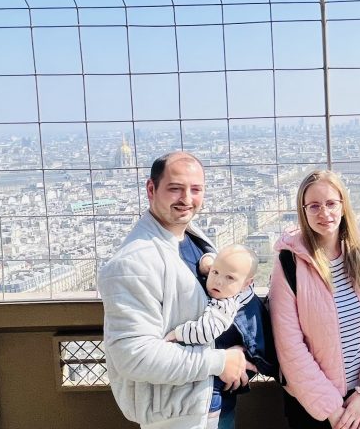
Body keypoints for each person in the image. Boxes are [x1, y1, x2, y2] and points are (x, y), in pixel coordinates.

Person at [99, 152, 249, 429]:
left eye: (196, 189)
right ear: (151, 189)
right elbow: (135, 356)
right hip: (179, 417)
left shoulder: (192, 238)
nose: (187, 199)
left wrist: (235, 351)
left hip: (210, 404)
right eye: (176, 188)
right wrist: (219, 361)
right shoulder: (132, 263)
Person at [269, 170, 360, 429]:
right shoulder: (289, 263)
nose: (324, 213)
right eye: (314, 206)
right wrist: (331, 409)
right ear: (303, 211)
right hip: (312, 406)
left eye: (331, 203)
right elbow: (289, 346)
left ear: (343, 205)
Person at [164, 245, 272, 429]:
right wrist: (208, 259)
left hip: (214, 390)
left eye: (229, 277)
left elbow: (206, 330)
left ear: (246, 282)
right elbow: (227, 266)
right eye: (215, 272)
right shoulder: (243, 291)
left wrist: (176, 334)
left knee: (214, 411)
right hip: (230, 379)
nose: (218, 282)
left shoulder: (225, 306)